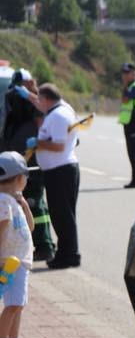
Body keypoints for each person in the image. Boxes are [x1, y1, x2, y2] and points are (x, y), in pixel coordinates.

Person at [1, 69, 56, 261]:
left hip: (31, 165)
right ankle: (35, 244)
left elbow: (46, 116)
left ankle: (45, 245)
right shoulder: (13, 106)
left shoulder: (37, 105)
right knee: (27, 205)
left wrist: (32, 93)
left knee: (36, 205)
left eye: (20, 87)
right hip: (15, 164)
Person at [27, 83, 80, 269]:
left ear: (47, 99)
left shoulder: (58, 116)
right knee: (62, 215)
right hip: (59, 169)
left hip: (61, 170)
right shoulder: (60, 109)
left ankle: (68, 255)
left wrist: (38, 143)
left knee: (62, 215)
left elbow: (58, 145)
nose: (38, 103)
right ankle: (67, 253)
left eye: (40, 99)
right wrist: (28, 94)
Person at [0, 151, 38, 338]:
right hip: (9, 262)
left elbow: (30, 227)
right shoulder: (3, 202)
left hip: (20, 261)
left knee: (19, 303)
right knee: (12, 304)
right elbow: (1, 228)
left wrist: (24, 205)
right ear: (18, 179)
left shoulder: (13, 201)